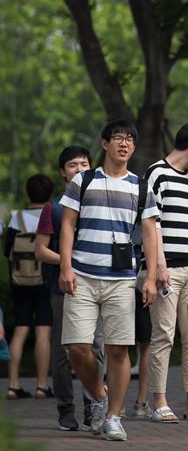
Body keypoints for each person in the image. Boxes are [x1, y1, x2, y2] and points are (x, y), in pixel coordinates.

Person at [58, 120, 159, 442]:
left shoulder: (141, 187)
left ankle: (113, 416)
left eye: (130, 139)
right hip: (83, 274)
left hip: (121, 278)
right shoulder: (82, 181)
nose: (124, 144)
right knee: (77, 347)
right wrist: (65, 267)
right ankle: (100, 397)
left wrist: (152, 277)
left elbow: (149, 234)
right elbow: (68, 226)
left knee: (118, 350)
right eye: (118, 138)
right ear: (104, 144)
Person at [143, 122, 188, 423]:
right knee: (163, 335)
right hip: (166, 269)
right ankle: (158, 401)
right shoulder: (156, 173)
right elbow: (151, 223)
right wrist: (158, 266)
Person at [35, 145, 106, 431]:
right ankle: (66, 409)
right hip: (63, 289)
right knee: (65, 352)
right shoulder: (53, 207)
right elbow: (40, 250)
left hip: (97, 285)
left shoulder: (101, 204)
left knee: (97, 349)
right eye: (73, 165)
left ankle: (94, 407)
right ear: (62, 172)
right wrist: (69, 262)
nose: (79, 169)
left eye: (84, 164)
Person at [3, 174, 54, 399]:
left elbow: (7, 252)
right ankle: (42, 385)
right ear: (50, 194)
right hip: (44, 280)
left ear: (28, 193)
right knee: (43, 331)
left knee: (21, 330)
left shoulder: (17, 218)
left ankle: (13, 384)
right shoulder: (50, 214)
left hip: (19, 281)